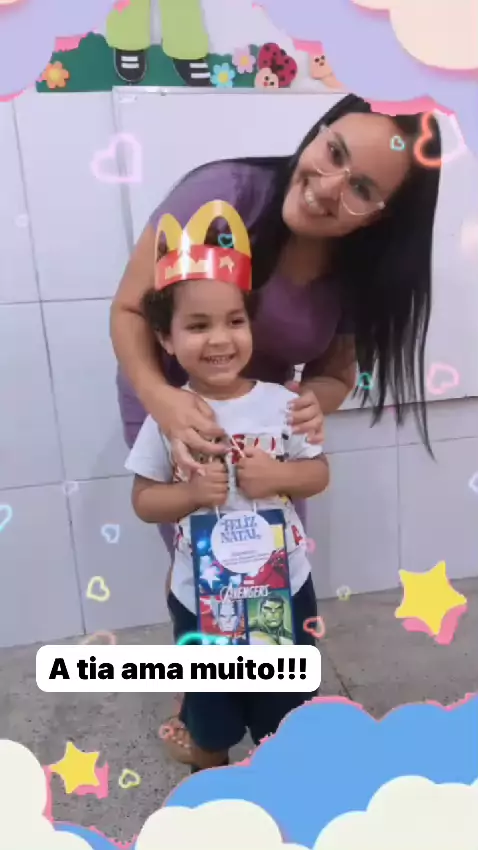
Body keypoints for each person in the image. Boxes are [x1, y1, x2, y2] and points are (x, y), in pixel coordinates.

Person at [110, 92, 441, 753]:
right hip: (175, 402)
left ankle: (271, 714)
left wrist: (314, 398)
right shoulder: (222, 198)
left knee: (268, 569)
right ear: (318, 130)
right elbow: (130, 310)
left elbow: (336, 374)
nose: (328, 187)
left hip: (267, 431)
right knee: (198, 557)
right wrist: (162, 400)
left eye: (362, 189)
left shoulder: (357, 269)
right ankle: (208, 703)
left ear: (383, 215)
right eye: (333, 151)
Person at [124, 201, 330, 772]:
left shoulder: (283, 404)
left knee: (285, 718)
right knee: (211, 720)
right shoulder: (171, 416)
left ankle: (283, 786)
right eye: (198, 325)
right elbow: (144, 501)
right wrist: (191, 496)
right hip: (202, 598)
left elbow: (319, 472)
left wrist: (280, 476)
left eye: (234, 321)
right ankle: (211, 797)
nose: (220, 339)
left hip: (283, 592)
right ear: (166, 339)